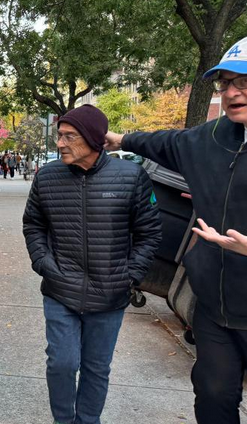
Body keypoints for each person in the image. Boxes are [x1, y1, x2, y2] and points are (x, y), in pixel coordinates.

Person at [104, 36, 247, 424]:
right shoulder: (211, 137)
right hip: (215, 307)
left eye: (243, 83)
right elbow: (165, 142)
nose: (232, 93)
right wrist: (119, 139)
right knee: (214, 398)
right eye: (225, 83)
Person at [23, 105, 162, 424]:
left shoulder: (131, 176)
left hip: (110, 294)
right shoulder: (47, 177)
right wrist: (44, 262)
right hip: (60, 289)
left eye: (69, 136)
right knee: (61, 362)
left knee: (97, 368)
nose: (60, 143)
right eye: (59, 135)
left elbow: (150, 232)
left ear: (93, 139)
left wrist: (131, 274)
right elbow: (33, 224)